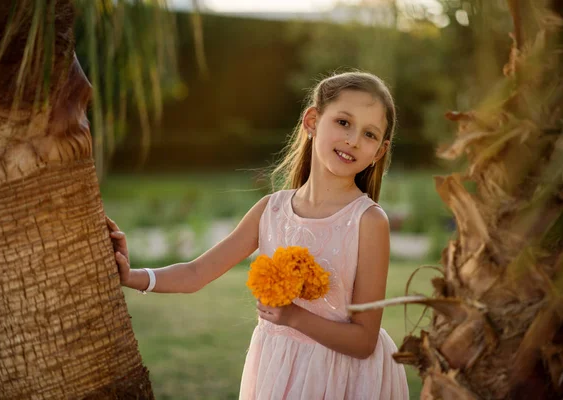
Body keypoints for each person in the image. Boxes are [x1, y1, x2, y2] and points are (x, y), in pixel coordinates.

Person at [108, 71, 409, 399]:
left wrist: (293, 316)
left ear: (379, 151)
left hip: (341, 378)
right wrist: (131, 275)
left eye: (369, 134)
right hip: (277, 367)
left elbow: (364, 342)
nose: (352, 140)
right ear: (312, 121)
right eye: (343, 122)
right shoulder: (271, 210)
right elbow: (196, 273)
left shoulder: (369, 221)